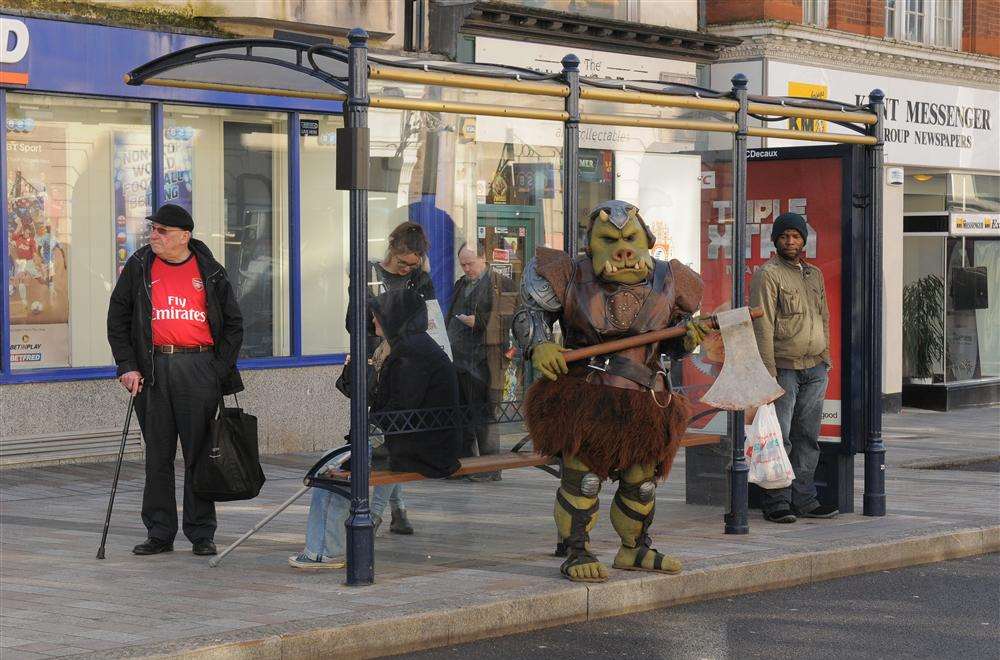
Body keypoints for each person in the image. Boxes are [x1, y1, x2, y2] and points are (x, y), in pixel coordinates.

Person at [514, 200, 710, 583]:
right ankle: (576, 551)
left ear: (646, 240)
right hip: (585, 400)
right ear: (592, 243)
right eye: (610, 238)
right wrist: (540, 345)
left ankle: (634, 548)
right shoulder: (565, 275)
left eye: (630, 238)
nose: (622, 248)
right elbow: (529, 314)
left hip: (645, 400)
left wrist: (688, 339)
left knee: (642, 482)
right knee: (583, 479)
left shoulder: (670, 278)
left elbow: (673, 343)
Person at [107, 203, 244, 557]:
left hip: (198, 367)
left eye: (162, 231)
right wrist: (127, 366)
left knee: (200, 452)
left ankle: (201, 532)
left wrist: (218, 370)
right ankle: (159, 531)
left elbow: (233, 324)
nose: (154, 236)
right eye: (153, 230)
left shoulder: (210, 270)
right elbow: (117, 318)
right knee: (158, 454)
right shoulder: (139, 267)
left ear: (184, 236)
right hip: (153, 370)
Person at [291, 288, 461, 568]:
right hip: (427, 442)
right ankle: (365, 524)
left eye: (379, 315)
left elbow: (396, 410)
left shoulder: (409, 354)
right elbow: (393, 406)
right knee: (342, 457)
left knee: (332, 470)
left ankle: (323, 551)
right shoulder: (412, 347)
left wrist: (361, 438)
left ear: (397, 317)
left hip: (423, 449)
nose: (374, 320)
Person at [344, 221, 436, 534]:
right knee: (381, 439)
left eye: (413, 264)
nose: (406, 270)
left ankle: (378, 513)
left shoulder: (420, 279)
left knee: (391, 440)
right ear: (391, 249)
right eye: (401, 263)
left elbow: (430, 321)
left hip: (407, 369)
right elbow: (351, 321)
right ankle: (399, 510)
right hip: (374, 366)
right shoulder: (368, 275)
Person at [750, 212, 839, 524]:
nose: (791, 241)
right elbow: (762, 325)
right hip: (783, 368)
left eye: (796, 236)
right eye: (785, 236)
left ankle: (804, 499)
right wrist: (768, 370)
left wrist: (825, 357)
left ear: (804, 240)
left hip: (815, 368)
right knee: (780, 437)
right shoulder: (768, 274)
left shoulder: (813, 274)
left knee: (808, 437)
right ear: (775, 240)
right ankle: (777, 502)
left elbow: (823, 316)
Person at [446, 244, 515, 480]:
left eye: (470, 264)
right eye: (463, 265)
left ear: (483, 258)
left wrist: (479, 321)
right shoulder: (460, 285)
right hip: (459, 359)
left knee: (485, 415)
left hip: (486, 361)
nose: (466, 269)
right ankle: (466, 466)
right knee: (463, 414)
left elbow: (510, 319)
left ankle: (490, 468)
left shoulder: (501, 284)